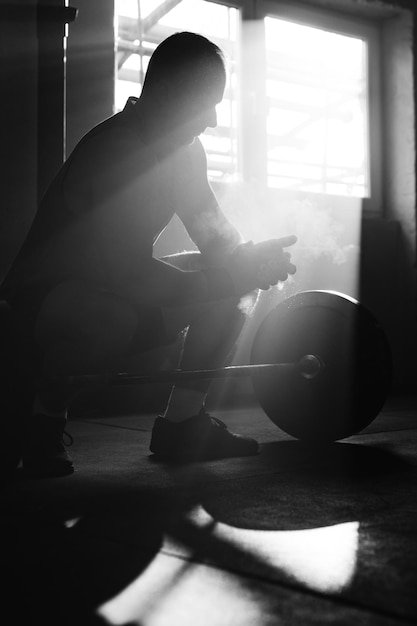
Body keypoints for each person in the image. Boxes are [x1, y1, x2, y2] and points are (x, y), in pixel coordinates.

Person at [1, 32, 297, 477]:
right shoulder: (114, 150)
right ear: (171, 92)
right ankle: (41, 425)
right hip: (34, 312)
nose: (214, 119)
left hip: (115, 295)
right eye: (206, 101)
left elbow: (218, 243)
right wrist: (229, 276)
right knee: (113, 316)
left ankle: (182, 423)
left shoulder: (185, 153)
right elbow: (131, 277)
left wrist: (251, 261)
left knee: (235, 283)